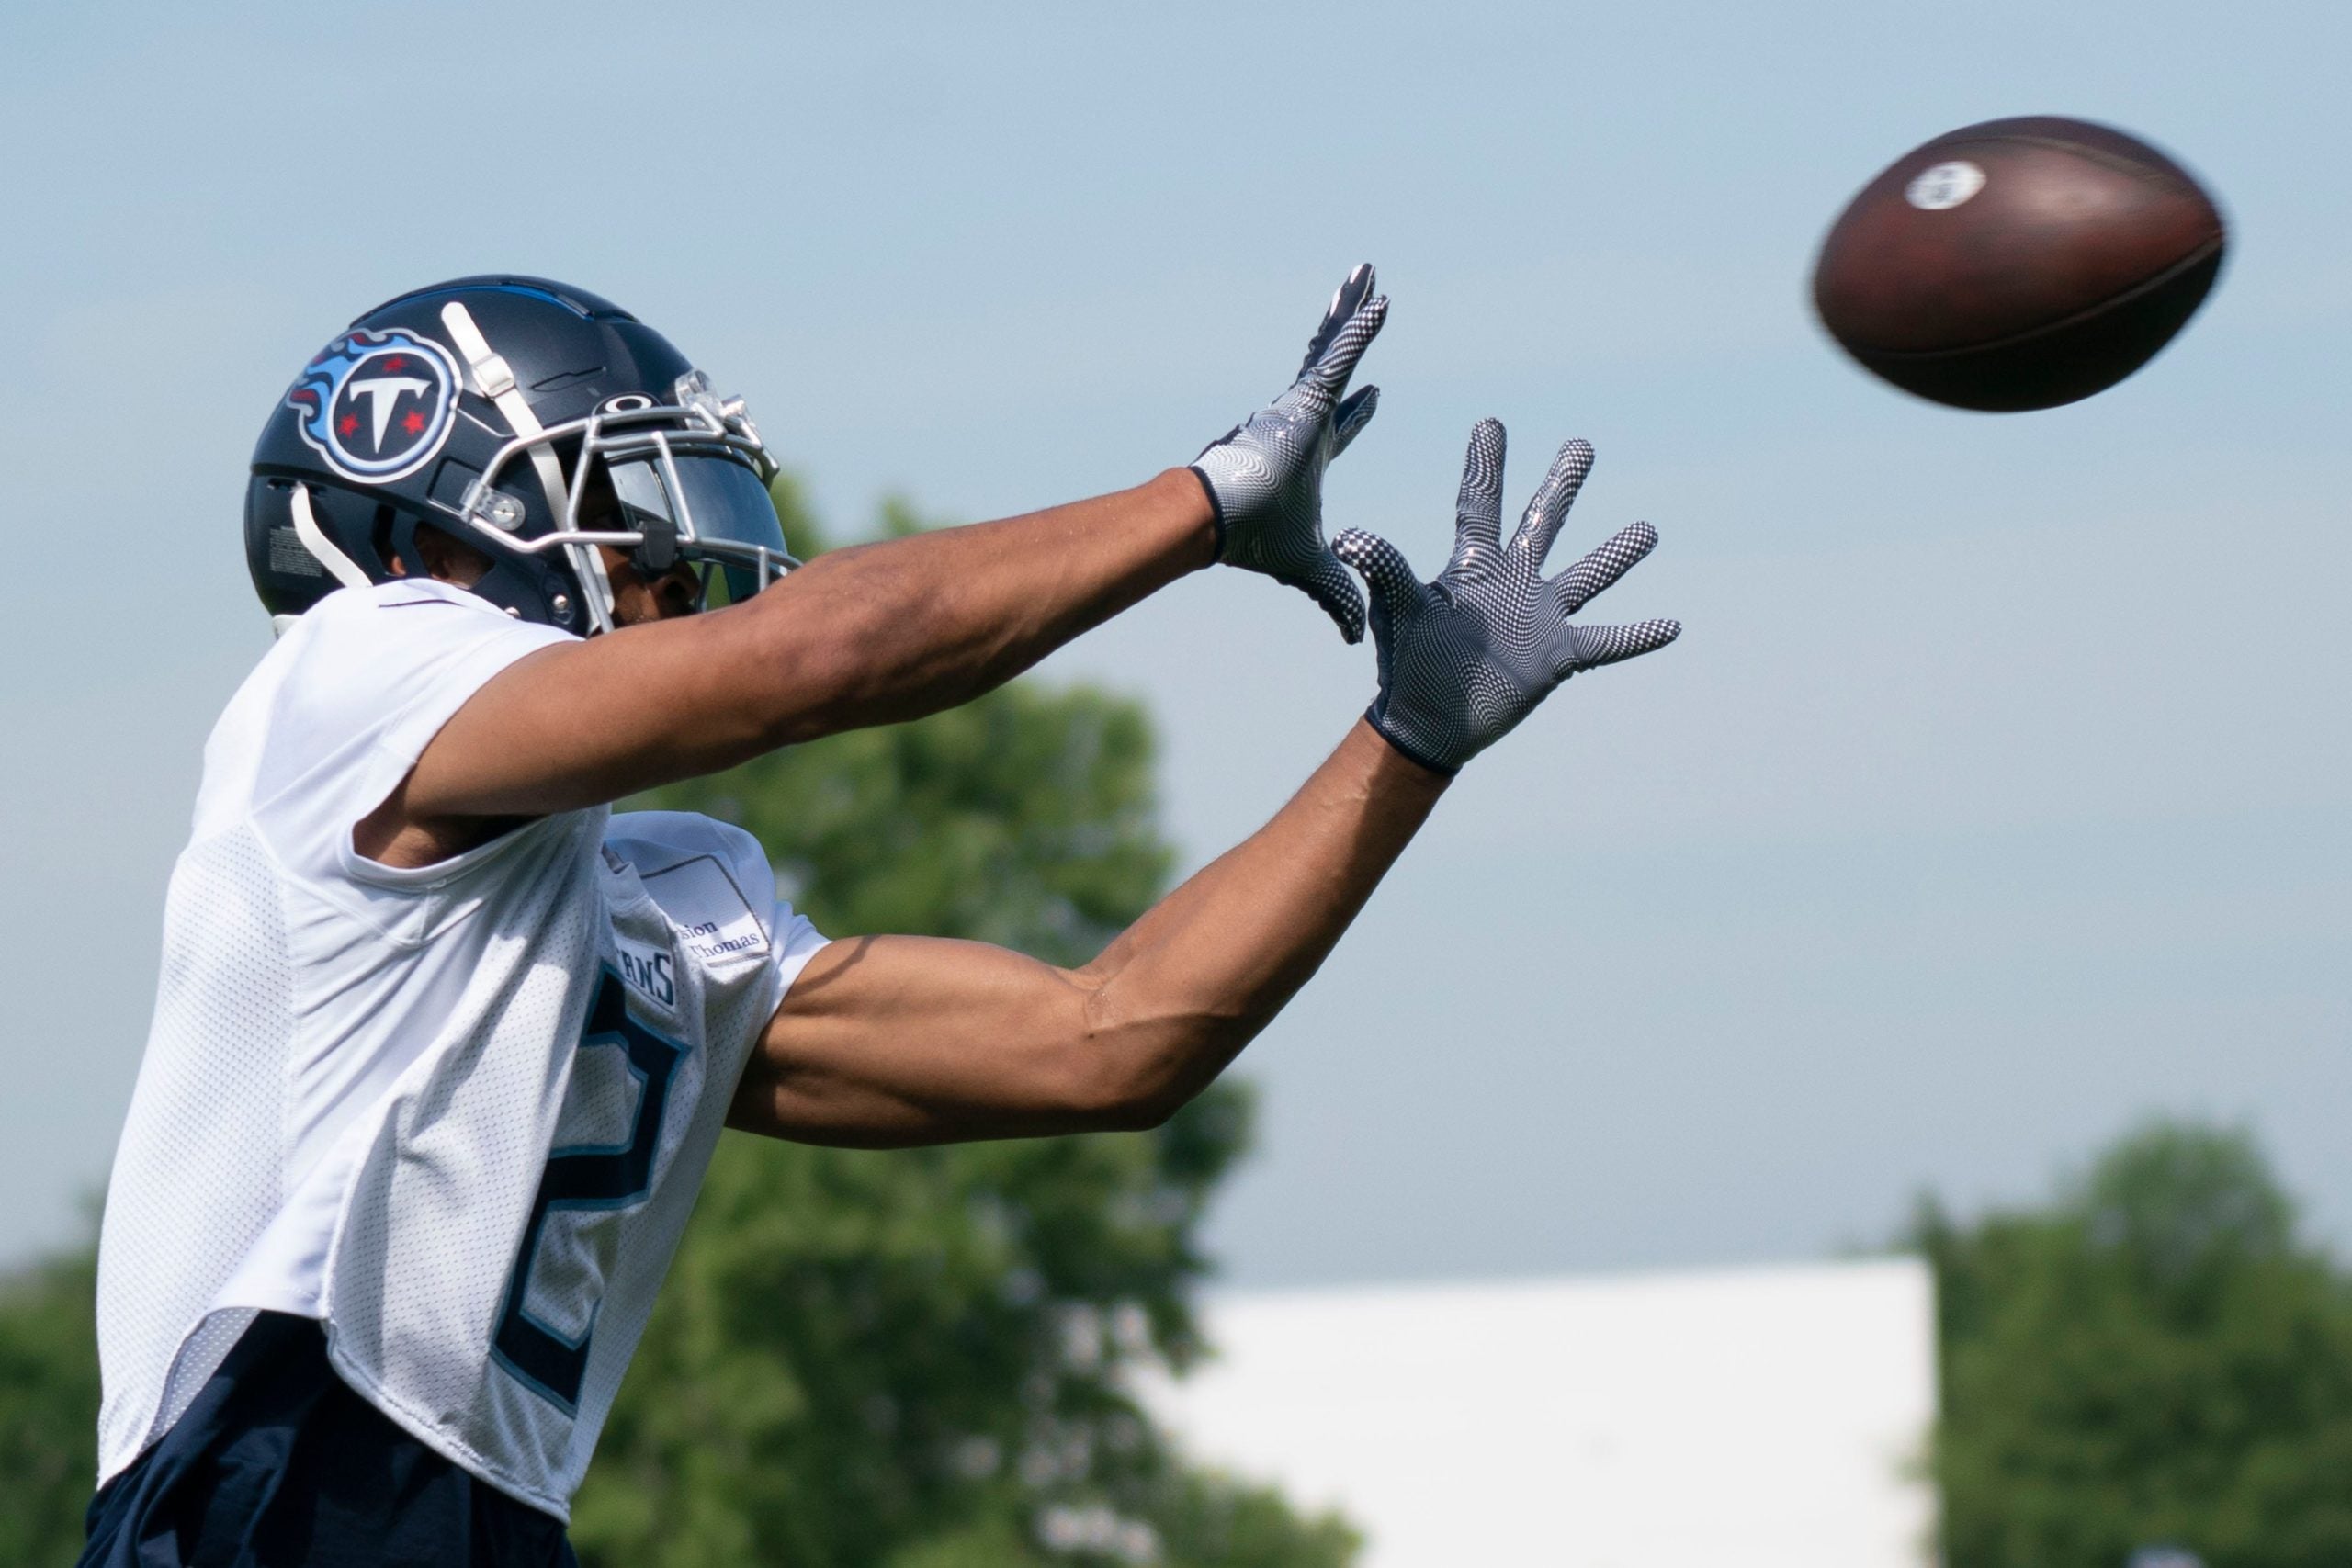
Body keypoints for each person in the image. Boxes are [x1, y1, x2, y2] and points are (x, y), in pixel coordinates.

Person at [81, 268, 1679, 1565]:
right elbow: (814, 664)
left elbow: (1109, 1041)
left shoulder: (654, 901)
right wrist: (1200, 501)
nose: (671, 561)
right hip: (271, 1476)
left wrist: (1409, 738)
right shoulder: (344, 687)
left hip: (490, 1519)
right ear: (430, 534)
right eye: (615, 502)